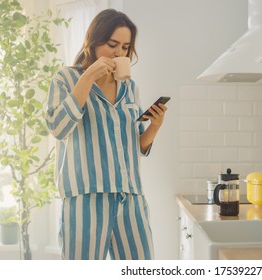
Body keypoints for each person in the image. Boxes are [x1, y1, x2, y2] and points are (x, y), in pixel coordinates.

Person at [45, 9, 167, 260]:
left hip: (130, 198)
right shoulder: (66, 78)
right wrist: (89, 76)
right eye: (112, 44)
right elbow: (58, 128)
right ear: (93, 40)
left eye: (125, 47)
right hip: (85, 199)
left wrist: (155, 126)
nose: (118, 53)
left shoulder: (130, 88)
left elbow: (135, 145)